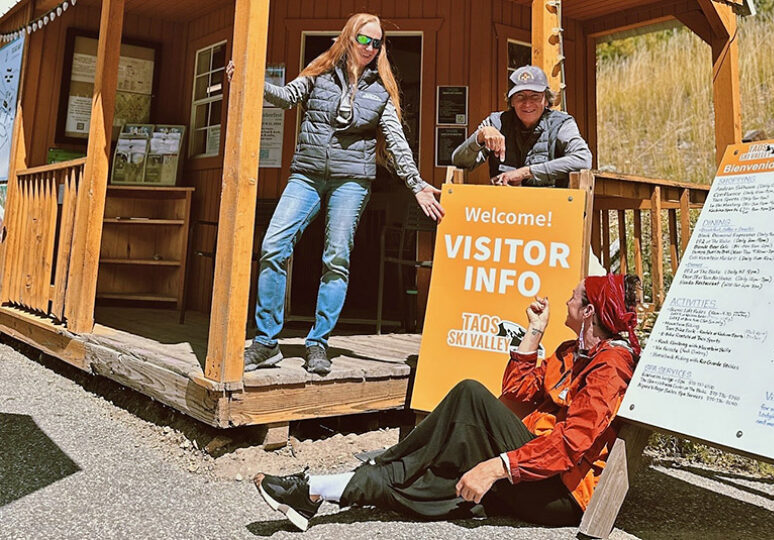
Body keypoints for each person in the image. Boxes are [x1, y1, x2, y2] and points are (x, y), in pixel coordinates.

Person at [252, 273, 642, 531]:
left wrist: (496, 467)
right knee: (433, 478)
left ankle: (376, 465)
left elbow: (573, 443)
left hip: (560, 493)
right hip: (534, 465)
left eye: (574, 297)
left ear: (589, 311)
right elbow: (518, 390)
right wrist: (534, 332)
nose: (566, 299)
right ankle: (317, 490)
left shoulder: (611, 366)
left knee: (469, 395)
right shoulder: (573, 351)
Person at [237, 13, 444, 375]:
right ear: (349, 38)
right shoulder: (318, 72)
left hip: (352, 180)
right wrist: (252, 81)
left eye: (377, 43)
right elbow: (286, 97)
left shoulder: (380, 91)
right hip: (307, 174)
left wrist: (416, 184)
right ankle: (266, 342)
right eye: (365, 40)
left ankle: (318, 343)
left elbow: (395, 143)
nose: (371, 48)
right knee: (273, 247)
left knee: (336, 257)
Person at [451, 65, 605, 276]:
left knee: (593, 276)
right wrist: (479, 137)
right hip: (504, 222)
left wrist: (525, 172)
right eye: (520, 96)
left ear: (546, 99)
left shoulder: (561, 123)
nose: (527, 103)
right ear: (511, 101)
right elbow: (459, 161)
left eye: (535, 96)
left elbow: (582, 158)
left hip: (553, 222)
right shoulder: (496, 123)